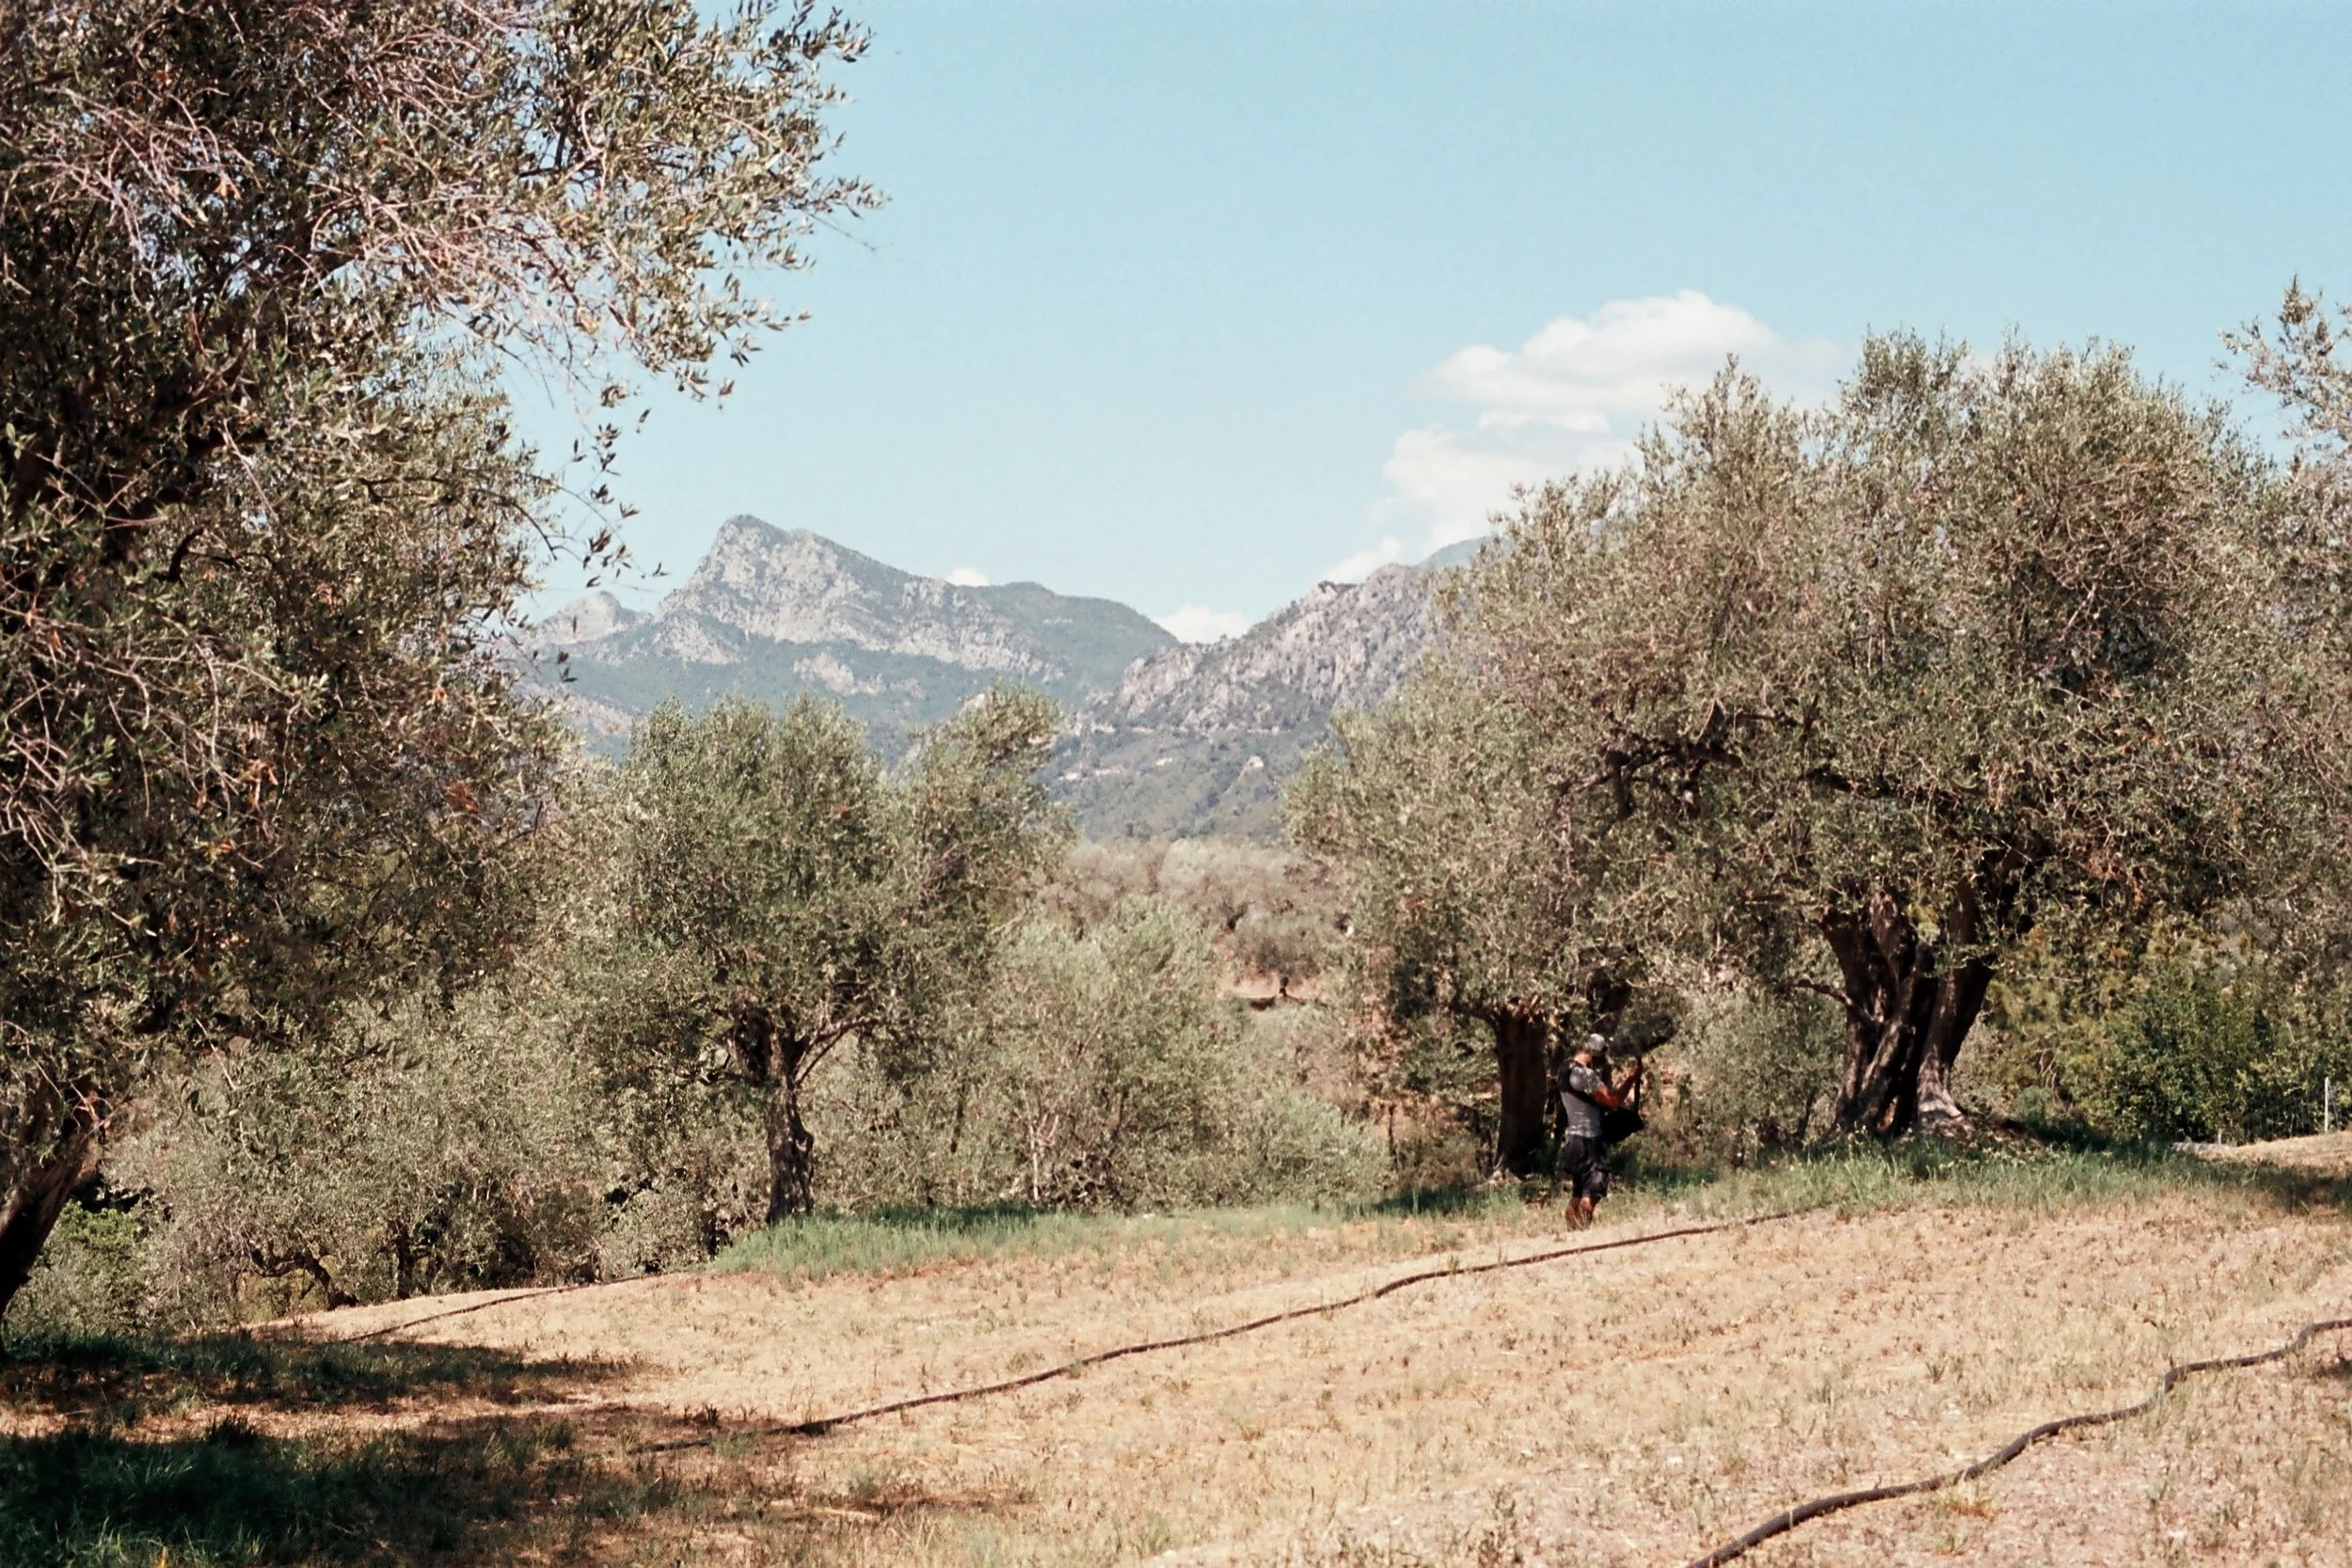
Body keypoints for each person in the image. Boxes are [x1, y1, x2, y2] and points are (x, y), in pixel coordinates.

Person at [1558, 1034, 1642, 1229]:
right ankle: (1583, 1233)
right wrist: (1631, 1079)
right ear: (1594, 1054)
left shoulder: (1564, 1070)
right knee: (1592, 1194)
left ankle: (1572, 1235)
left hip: (1573, 1141)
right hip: (1590, 1141)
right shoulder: (1584, 1075)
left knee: (1577, 1195)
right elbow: (1612, 1100)